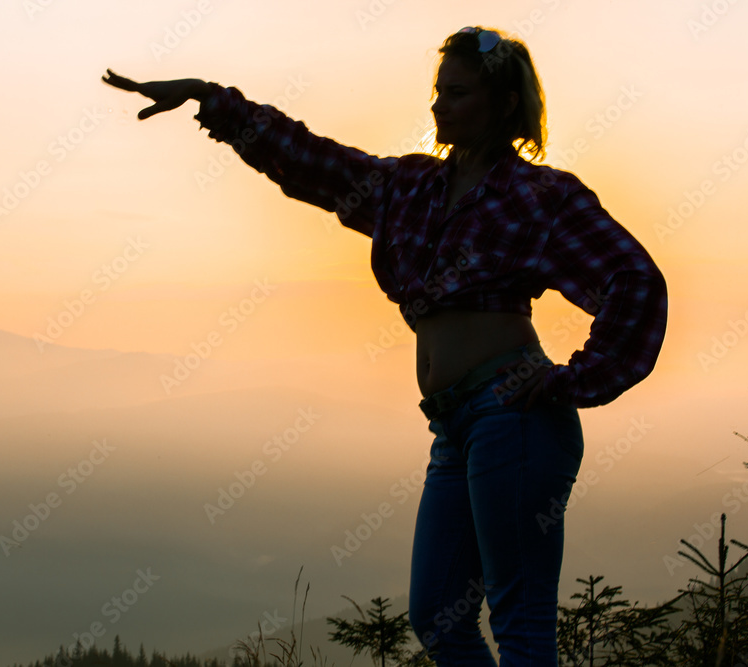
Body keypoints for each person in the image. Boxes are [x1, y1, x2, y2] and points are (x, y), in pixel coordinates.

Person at [103, 25, 668, 667]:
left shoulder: (539, 197)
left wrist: (573, 380)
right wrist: (211, 99)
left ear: (505, 103)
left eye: (457, 93)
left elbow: (634, 281)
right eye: (437, 91)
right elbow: (315, 162)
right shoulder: (413, 188)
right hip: (454, 424)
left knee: (521, 621)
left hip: (513, 418)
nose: (438, 105)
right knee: (438, 618)